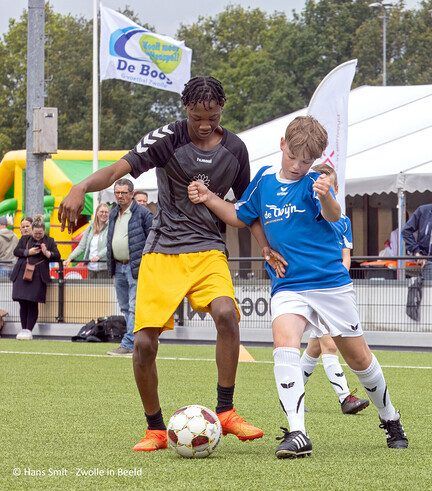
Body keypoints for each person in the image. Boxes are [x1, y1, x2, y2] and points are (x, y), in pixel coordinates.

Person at [58, 76, 279, 452]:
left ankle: (225, 412)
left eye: (212, 115)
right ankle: (156, 429)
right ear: (185, 110)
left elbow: (247, 208)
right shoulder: (166, 138)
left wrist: (266, 247)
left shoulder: (236, 149)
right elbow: (117, 171)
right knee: (144, 343)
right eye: (197, 117)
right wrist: (79, 187)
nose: (205, 123)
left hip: (209, 248)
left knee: (226, 313)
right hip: (163, 251)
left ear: (222, 109)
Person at [188, 115, 408, 459]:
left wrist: (327, 195)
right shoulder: (263, 181)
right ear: (282, 145)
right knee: (284, 342)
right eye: (293, 157)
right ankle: (297, 432)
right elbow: (239, 215)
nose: (298, 165)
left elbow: (334, 215)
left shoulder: (315, 183)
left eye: (306, 161)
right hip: (288, 283)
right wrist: (208, 197)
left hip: (330, 285)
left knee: (359, 359)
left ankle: (390, 417)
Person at [299, 164, 369, 415]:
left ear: (336, 188)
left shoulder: (344, 221)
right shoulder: (308, 217)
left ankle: (293, 394)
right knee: (329, 344)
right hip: (313, 287)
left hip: (335, 289)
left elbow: (345, 254)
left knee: (315, 347)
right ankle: (345, 398)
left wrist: (340, 277)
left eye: (331, 185)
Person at [104, 178, 153, 356]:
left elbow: (152, 238)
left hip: (135, 266)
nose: (120, 196)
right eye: (118, 192)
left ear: (132, 194)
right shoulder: (113, 213)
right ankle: (137, 339)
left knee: (133, 306)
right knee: (125, 306)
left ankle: (129, 343)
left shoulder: (143, 214)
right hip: (118, 265)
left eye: (124, 192)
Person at [10, 215, 61, 340]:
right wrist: (28, 252)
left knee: (33, 303)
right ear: (32, 231)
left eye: (40, 233)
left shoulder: (49, 241)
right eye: (36, 233)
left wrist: (47, 253)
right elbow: (16, 252)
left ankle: (28, 330)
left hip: (38, 275)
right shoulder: (24, 239)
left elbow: (57, 256)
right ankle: (23, 329)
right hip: (22, 273)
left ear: (44, 231)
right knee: (23, 302)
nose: (38, 236)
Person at [64, 203, 111, 279]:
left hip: (104, 267)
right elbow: (81, 246)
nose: (104, 214)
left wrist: (99, 256)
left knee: (102, 290)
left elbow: (110, 245)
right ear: (97, 213)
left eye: (106, 212)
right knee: (91, 290)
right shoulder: (90, 227)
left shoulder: (111, 227)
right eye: (101, 211)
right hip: (91, 267)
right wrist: (70, 258)